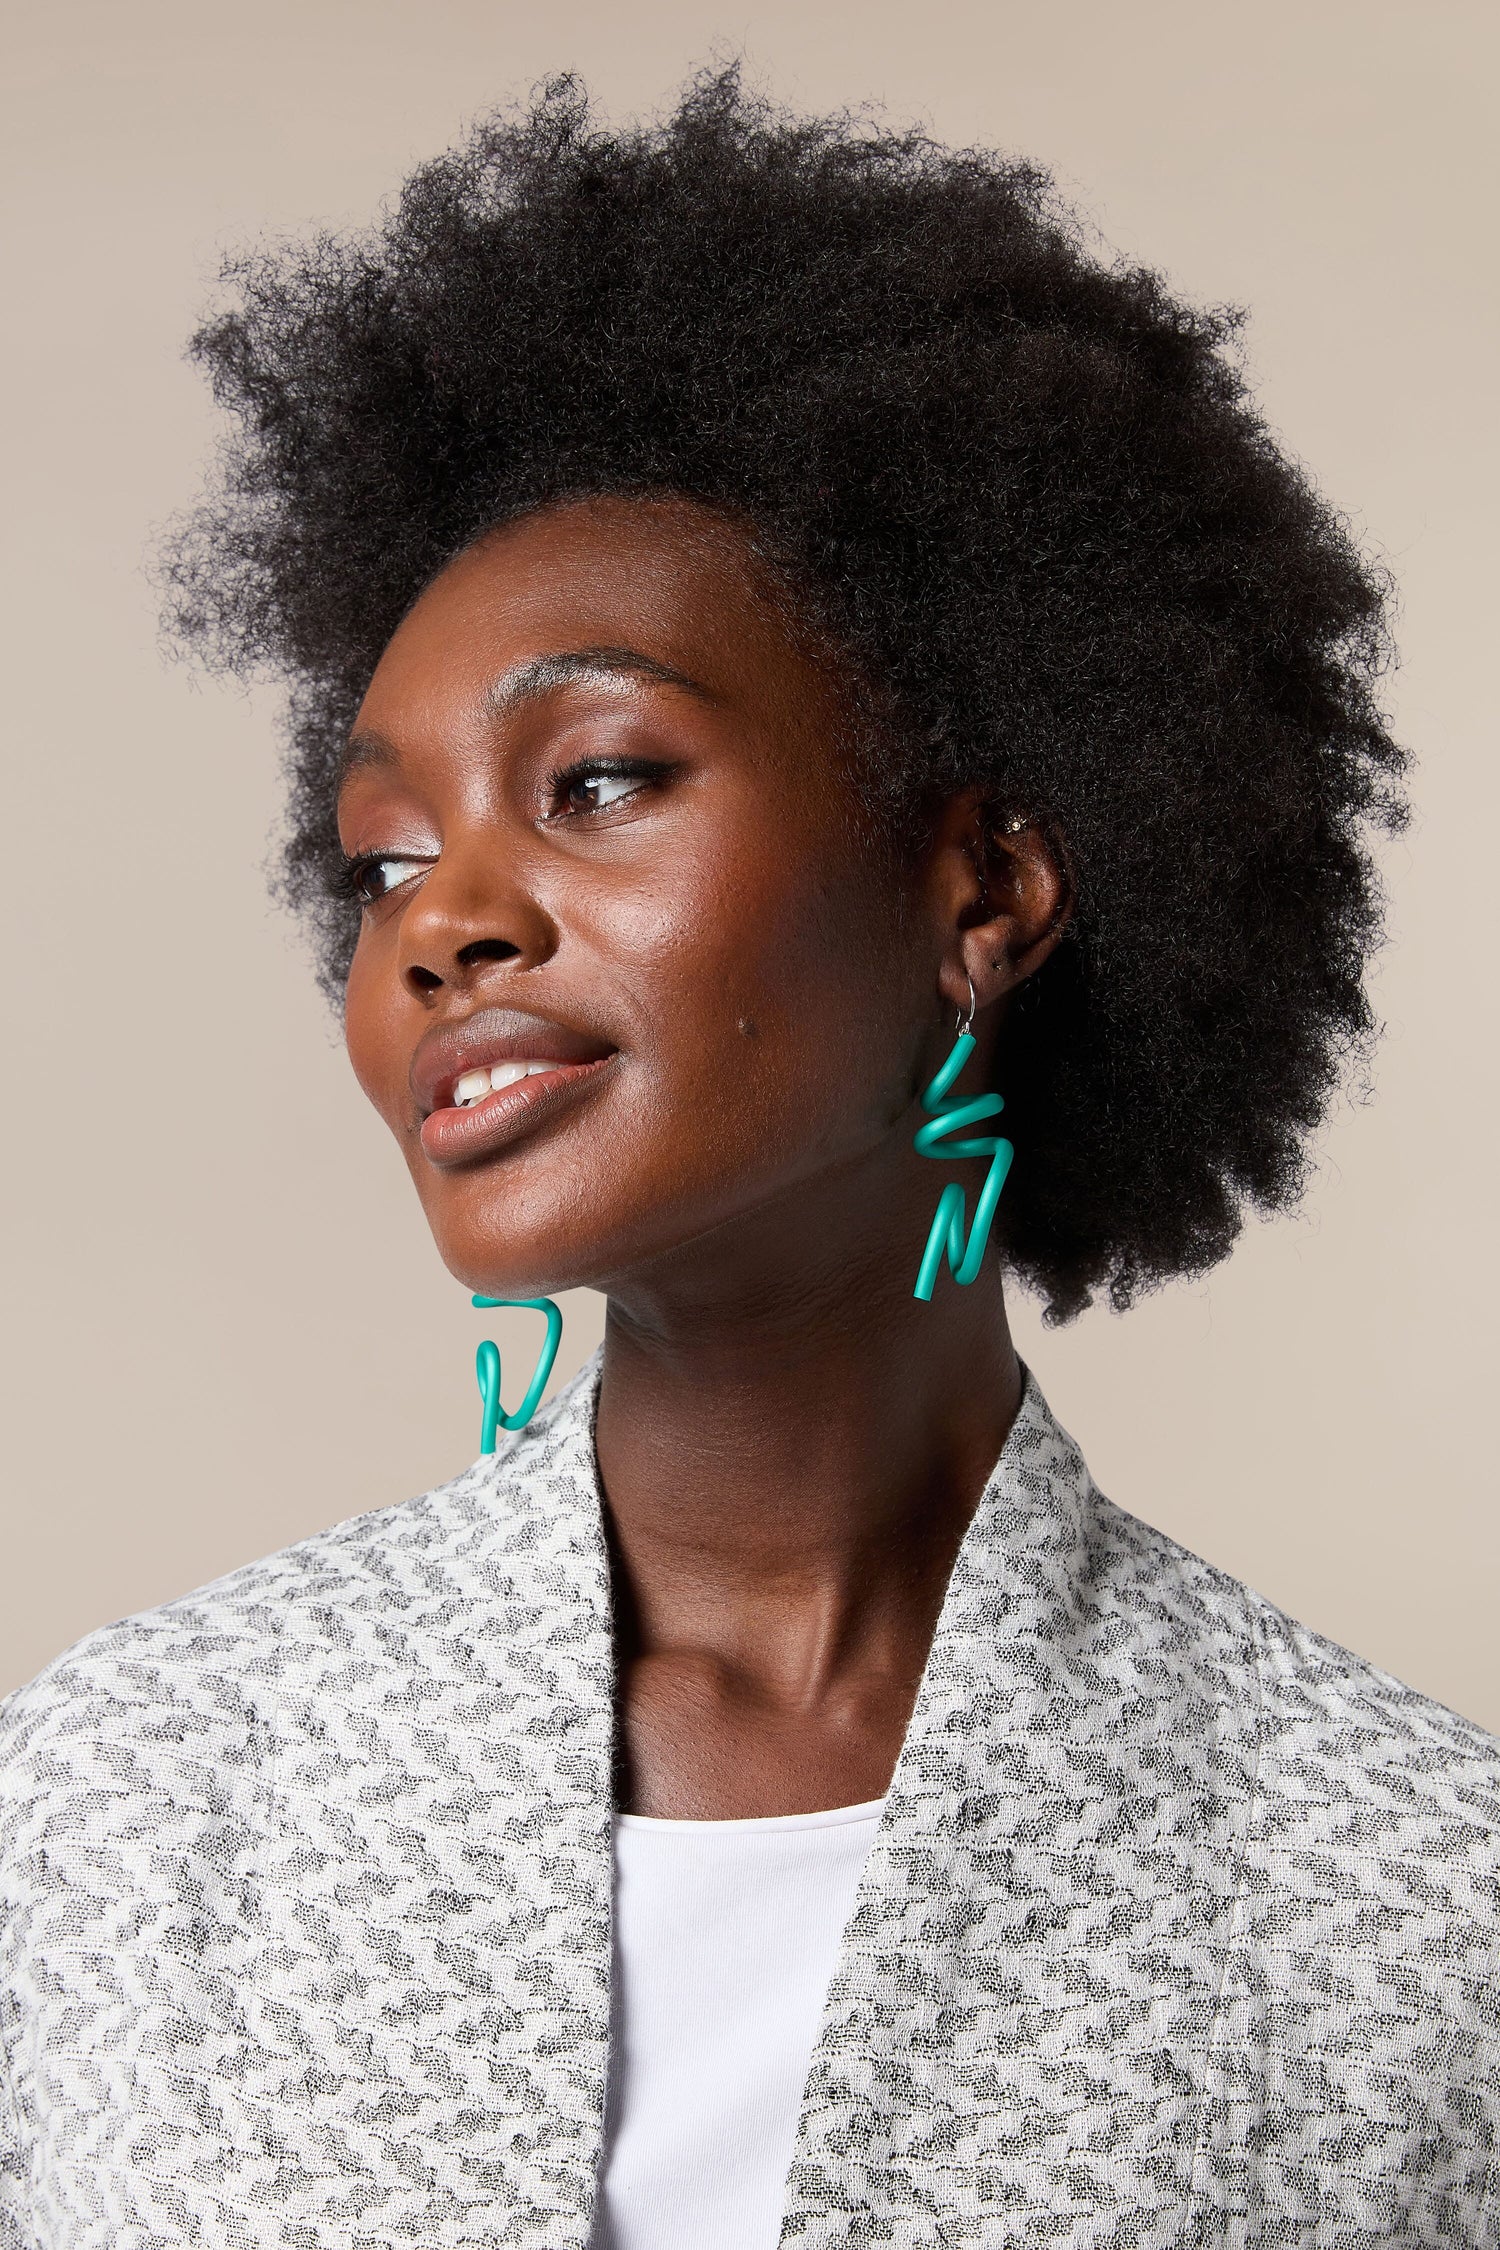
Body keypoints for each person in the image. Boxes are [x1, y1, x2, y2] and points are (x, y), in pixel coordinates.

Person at [3, 66, 1496, 2250]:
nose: (444, 918)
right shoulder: (120, 1801)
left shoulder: (1418, 1901)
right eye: (379, 859)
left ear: (983, 885)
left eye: (596, 778)